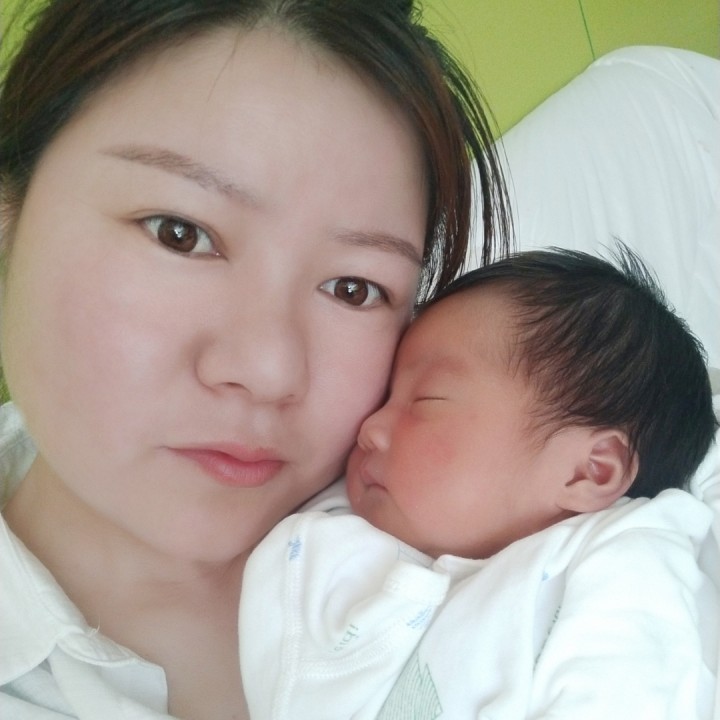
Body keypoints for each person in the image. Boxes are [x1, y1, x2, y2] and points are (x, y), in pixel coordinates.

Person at [0, 1, 513, 718]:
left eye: (354, 288)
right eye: (180, 234)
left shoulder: (504, 523)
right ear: (11, 213)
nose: (271, 371)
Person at [240, 246, 719, 719]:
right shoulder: (342, 524)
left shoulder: (624, 564)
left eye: (426, 400)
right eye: (384, 397)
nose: (369, 428)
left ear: (590, 471)